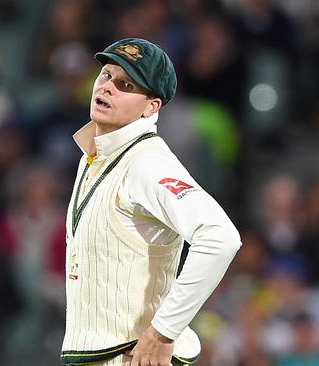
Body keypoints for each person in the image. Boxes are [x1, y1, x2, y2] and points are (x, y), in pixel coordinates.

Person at [60, 38, 241, 366]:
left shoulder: (146, 163)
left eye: (126, 84)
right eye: (106, 75)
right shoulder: (97, 152)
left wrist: (163, 333)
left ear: (151, 107)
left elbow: (220, 237)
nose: (108, 87)